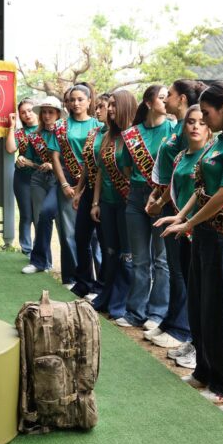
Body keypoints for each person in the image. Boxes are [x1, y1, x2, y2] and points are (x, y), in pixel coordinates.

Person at [158, 81, 223, 405]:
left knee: (221, 309)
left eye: (207, 113)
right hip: (201, 230)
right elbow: (201, 189)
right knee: (201, 304)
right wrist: (181, 217)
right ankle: (205, 370)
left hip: (221, 233)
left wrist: (190, 221)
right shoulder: (219, 141)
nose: (203, 119)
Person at [143, 80, 207, 351]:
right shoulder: (177, 130)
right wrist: (156, 198)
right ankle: (172, 321)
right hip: (171, 207)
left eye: (169, 94)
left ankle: (181, 326)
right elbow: (171, 173)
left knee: (180, 272)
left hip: (183, 212)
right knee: (175, 268)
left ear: (181, 99)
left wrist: (164, 203)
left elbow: (192, 181)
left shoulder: (189, 134)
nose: (166, 98)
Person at [155, 105, 210, 370]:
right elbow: (175, 188)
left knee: (199, 291)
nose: (195, 127)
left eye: (201, 122)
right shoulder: (181, 156)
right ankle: (193, 339)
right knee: (188, 283)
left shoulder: (209, 156)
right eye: (190, 121)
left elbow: (203, 193)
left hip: (200, 228)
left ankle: (201, 346)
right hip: (182, 226)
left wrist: (188, 221)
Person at [115, 84, 173, 331]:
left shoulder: (173, 129)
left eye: (167, 96)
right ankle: (135, 312)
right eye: (161, 97)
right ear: (148, 103)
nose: (166, 100)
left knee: (161, 259)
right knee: (139, 259)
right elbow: (126, 167)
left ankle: (158, 313)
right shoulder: (132, 133)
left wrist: (159, 193)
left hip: (162, 197)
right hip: (136, 196)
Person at [89, 90, 136, 319]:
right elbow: (100, 171)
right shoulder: (108, 136)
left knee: (126, 255)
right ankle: (106, 297)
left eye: (115, 105)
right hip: (107, 203)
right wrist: (95, 202)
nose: (110, 109)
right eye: (110, 105)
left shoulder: (133, 137)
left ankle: (121, 303)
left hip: (127, 204)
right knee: (109, 252)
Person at [48, 84, 102, 286]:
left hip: (93, 181)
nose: (76, 103)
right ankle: (72, 277)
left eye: (80, 99)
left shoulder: (98, 125)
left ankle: (98, 281)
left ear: (89, 101)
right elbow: (54, 156)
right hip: (69, 181)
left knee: (96, 236)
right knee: (69, 233)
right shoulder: (61, 126)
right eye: (72, 100)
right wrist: (63, 184)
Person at [70, 93, 110, 297]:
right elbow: (87, 164)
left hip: (108, 195)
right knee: (80, 237)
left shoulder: (120, 135)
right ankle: (84, 281)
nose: (99, 110)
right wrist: (78, 190)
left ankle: (101, 285)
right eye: (100, 106)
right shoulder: (94, 132)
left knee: (104, 242)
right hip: (88, 192)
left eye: (103, 106)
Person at [22, 96, 64, 274]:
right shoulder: (34, 136)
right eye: (44, 112)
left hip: (59, 179)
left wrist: (54, 165)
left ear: (58, 114)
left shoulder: (64, 133)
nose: (47, 115)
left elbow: (71, 159)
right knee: (39, 219)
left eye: (51, 112)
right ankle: (43, 262)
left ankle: (68, 266)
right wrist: (23, 160)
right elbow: (31, 158)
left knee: (63, 224)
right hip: (38, 178)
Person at [5, 99, 38, 256]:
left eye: (30, 110)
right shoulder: (20, 133)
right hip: (22, 178)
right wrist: (11, 127)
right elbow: (11, 148)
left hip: (42, 178)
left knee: (40, 216)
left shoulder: (46, 131)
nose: (27, 114)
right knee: (26, 215)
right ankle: (27, 250)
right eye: (23, 113)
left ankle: (40, 249)